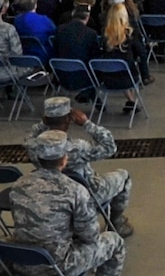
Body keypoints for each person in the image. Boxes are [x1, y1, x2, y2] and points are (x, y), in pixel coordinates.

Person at [9, 131, 127, 276]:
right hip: (60, 270)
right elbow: (91, 236)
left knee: (38, 240)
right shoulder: (75, 190)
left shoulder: (18, 186)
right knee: (115, 243)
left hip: (23, 267)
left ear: (38, 158)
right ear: (64, 160)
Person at [34, 96, 135, 236]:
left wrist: (47, 121)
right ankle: (116, 223)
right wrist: (87, 124)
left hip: (51, 195)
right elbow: (110, 147)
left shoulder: (34, 145)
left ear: (45, 119)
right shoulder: (77, 147)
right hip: (84, 196)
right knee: (124, 176)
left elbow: (33, 134)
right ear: (69, 119)